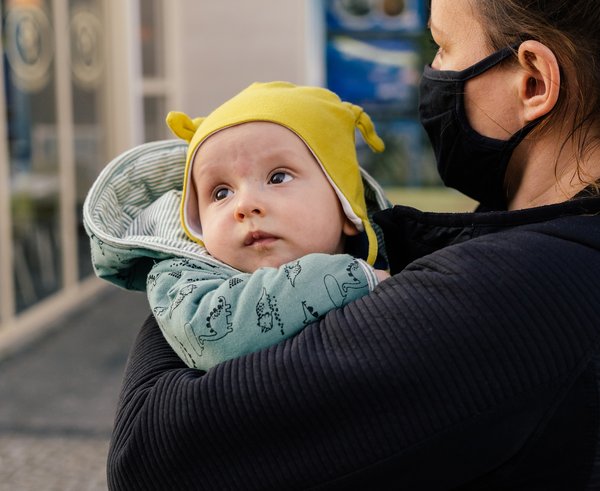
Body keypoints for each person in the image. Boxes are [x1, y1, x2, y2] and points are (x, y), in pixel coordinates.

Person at [104, 0, 600, 489]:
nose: (432, 71)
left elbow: (149, 454)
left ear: (532, 81)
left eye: (442, 46)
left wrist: (184, 261)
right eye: (219, 193)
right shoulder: (520, 228)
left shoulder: (521, 289)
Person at [84, 81, 390, 371]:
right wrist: (351, 277)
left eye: (278, 177)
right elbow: (210, 335)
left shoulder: (403, 257)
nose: (244, 206)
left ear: (346, 209)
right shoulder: (182, 279)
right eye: (221, 193)